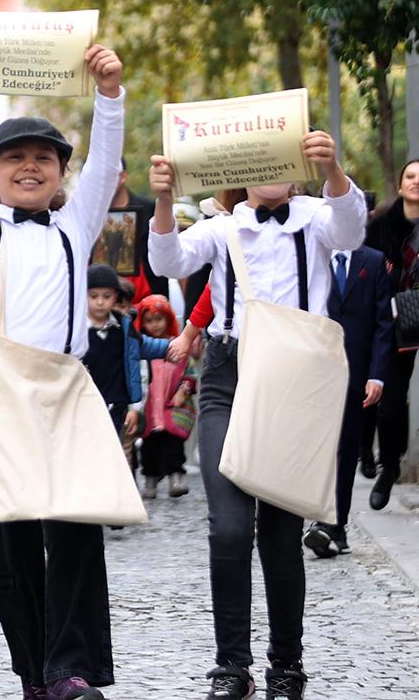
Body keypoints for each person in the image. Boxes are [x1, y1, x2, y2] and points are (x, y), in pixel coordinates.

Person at [0, 31, 126, 700]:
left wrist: (109, 91)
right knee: (2, 535)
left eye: (44, 157)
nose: (30, 167)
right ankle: (33, 666)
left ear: (62, 173)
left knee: (71, 524)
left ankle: (70, 667)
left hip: (62, 386)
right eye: (15, 159)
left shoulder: (76, 223)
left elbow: (108, 157)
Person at [147, 134, 367, 700]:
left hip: (295, 381)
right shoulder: (223, 225)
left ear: (295, 167)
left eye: (283, 158)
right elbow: (167, 260)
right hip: (228, 374)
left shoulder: (316, 217)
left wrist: (332, 168)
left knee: (279, 532)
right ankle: (231, 667)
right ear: (241, 170)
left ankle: (286, 667)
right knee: (230, 526)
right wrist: (166, 201)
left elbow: (351, 229)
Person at [301, 244, 390, 557]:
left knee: (344, 450)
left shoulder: (373, 261)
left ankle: (334, 525)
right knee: (312, 447)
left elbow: (383, 323)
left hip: (355, 371)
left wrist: (377, 375)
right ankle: (310, 519)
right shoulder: (310, 253)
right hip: (313, 369)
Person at [362, 158, 419, 509]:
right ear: (400, 186)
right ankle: (389, 467)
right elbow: (363, 265)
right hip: (396, 320)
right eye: (410, 176)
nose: (416, 182)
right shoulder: (380, 225)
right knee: (391, 401)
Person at [81, 264, 169, 443]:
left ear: (115, 297)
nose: (100, 302)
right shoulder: (76, 330)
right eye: (93, 296)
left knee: (112, 454)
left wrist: (173, 346)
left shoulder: (124, 327)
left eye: (106, 296)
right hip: (83, 404)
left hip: (116, 405)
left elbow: (144, 346)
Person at [133, 294, 196, 499]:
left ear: (168, 320)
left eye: (159, 319)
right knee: (148, 449)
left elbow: (190, 372)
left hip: (171, 406)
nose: (154, 325)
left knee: (173, 445)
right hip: (149, 409)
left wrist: (183, 390)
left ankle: (176, 477)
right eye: (149, 321)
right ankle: (150, 481)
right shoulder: (140, 349)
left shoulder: (177, 347)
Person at [104, 159, 167, 304]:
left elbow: (168, 250)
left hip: (149, 307)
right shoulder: (90, 214)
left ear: (123, 177)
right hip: (101, 305)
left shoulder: (150, 209)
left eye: (110, 176)